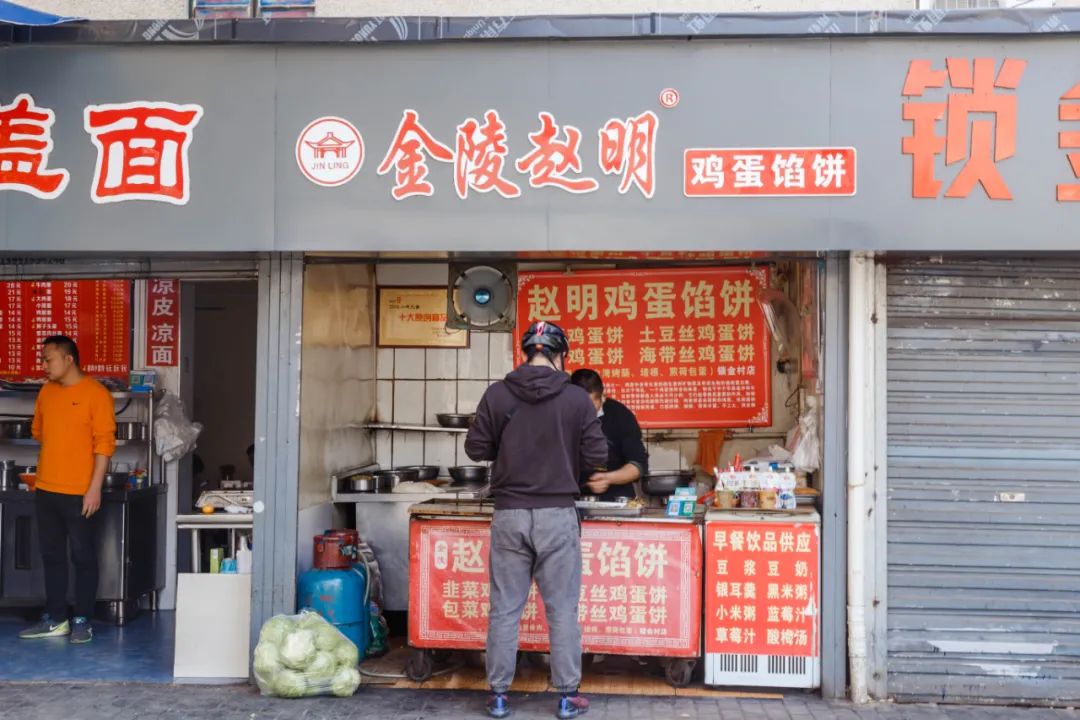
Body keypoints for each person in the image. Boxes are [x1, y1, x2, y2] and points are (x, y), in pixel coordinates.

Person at [465, 321, 607, 720]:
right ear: (561, 355)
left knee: (504, 610)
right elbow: (597, 455)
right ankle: (567, 698)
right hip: (557, 516)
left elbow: (476, 449)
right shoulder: (576, 399)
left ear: (525, 353)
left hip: (509, 514)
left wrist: (508, 443)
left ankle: (498, 696)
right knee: (561, 610)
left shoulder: (497, 394)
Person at [19, 336, 116, 644]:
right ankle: (56, 618)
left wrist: (94, 488)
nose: (43, 365)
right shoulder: (46, 392)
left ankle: (82, 620)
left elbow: (104, 445)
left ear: (68, 359)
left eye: (48, 359)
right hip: (46, 488)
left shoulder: (96, 394)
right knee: (51, 555)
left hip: (80, 492)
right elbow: (39, 431)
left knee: (83, 556)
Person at [569, 369, 649, 502]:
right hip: (572, 500)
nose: (585, 411)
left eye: (591, 405)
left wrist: (608, 478)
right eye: (579, 406)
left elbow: (638, 465)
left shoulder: (620, 415)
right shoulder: (561, 416)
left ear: (602, 396)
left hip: (616, 500)